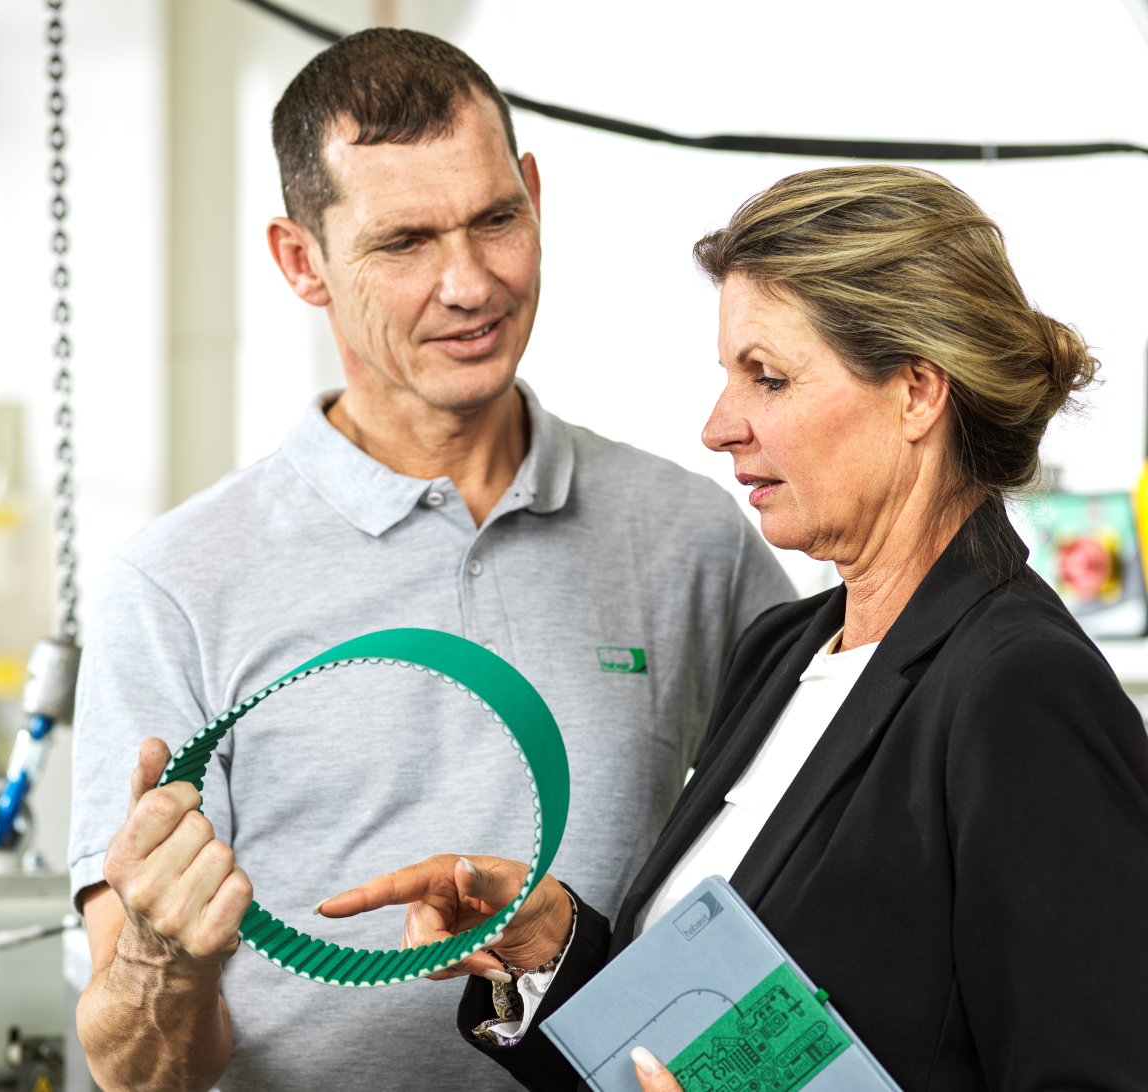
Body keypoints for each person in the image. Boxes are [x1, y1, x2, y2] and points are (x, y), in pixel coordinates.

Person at [68, 29, 793, 1092]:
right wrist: (158, 960)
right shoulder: (173, 585)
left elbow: (808, 874)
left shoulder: (693, 538)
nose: (469, 284)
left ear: (533, 195)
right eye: (404, 241)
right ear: (301, 261)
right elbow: (140, 1073)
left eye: (495, 219)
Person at [320, 164, 1148, 1092]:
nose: (718, 427)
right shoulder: (781, 652)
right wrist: (551, 945)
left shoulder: (1021, 688)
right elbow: (707, 1040)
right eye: (728, 377)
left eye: (770, 378)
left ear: (917, 391)